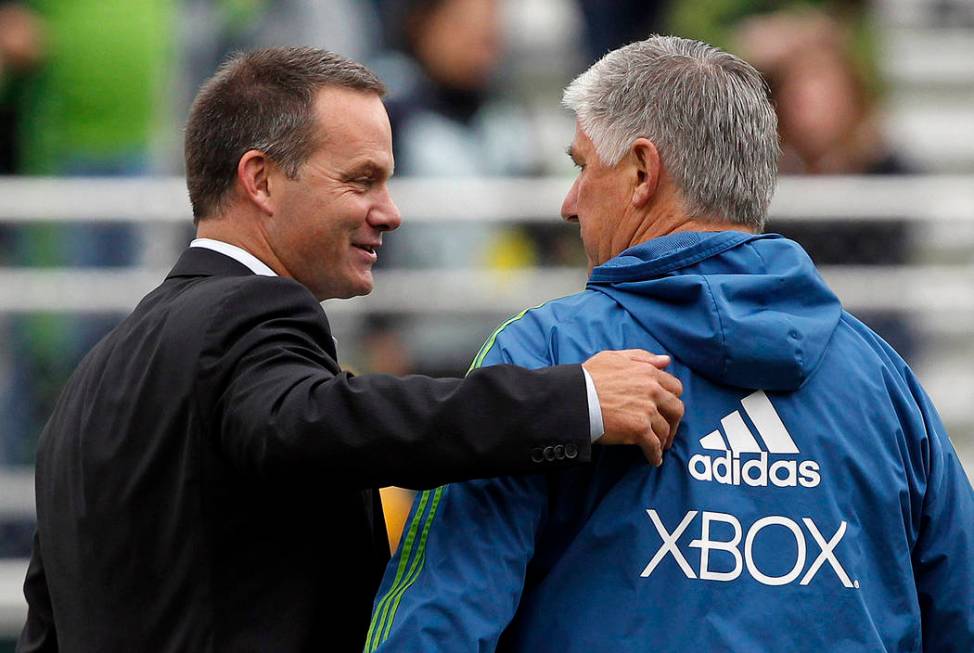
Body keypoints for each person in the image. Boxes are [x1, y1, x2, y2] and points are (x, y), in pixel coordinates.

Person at [16, 47, 686, 652]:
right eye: (362, 180)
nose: (389, 210)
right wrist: (577, 400)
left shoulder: (90, 382)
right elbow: (313, 420)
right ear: (262, 180)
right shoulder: (247, 313)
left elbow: (46, 627)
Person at [368, 36, 974, 652]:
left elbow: (437, 620)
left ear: (640, 171)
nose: (569, 204)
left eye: (582, 167)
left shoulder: (548, 353)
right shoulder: (885, 382)